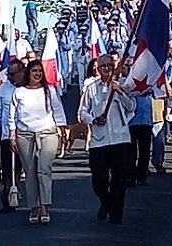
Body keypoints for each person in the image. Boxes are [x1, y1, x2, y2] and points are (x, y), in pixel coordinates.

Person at [79, 55, 136, 225]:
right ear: (97, 68)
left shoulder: (123, 84)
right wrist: (93, 119)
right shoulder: (91, 88)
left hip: (120, 139)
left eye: (109, 66)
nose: (106, 69)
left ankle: (116, 214)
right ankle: (105, 201)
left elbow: (132, 107)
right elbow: (82, 112)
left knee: (119, 179)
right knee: (98, 177)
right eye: (103, 66)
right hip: (99, 140)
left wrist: (120, 91)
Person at [9, 60, 67, 224]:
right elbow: (12, 116)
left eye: (40, 71)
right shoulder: (19, 92)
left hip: (47, 132)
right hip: (25, 134)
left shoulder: (50, 90)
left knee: (44, 169)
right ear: (28, 73)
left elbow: (58, 110)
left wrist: (62, 130)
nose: (37, 74)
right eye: (34, 71)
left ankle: (44, 206)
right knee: (30, 171)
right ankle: (33, 206)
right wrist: (12, 136)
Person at [0, 59, 25, 214]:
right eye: (8, 74)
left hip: (26, 134)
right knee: (7, 168)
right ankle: (7, 199)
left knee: (23, 167)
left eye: (13, 74)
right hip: (7, 135)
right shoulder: (3, 89)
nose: (10, 77)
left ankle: (34, 199)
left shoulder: (29, 87)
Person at [128, 87, 153, 186]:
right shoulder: (130, 81)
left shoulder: (148, 83)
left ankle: (142, 176)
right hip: (132, 121)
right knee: (131, 151)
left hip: (145, 120)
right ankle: (131, 175)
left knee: (145, 151)